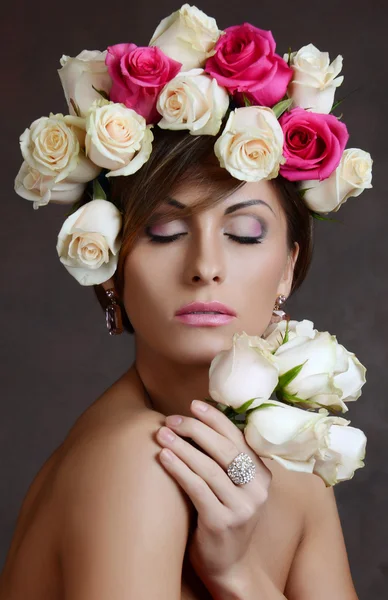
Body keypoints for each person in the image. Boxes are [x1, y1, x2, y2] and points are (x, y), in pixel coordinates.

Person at [2, 4, 372, 599]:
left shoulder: (295, 470)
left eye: (245, 233)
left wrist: (238, 572)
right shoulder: (135, 465)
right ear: (110, 272)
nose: (205, 266)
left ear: (288, 268)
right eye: (165, 232)